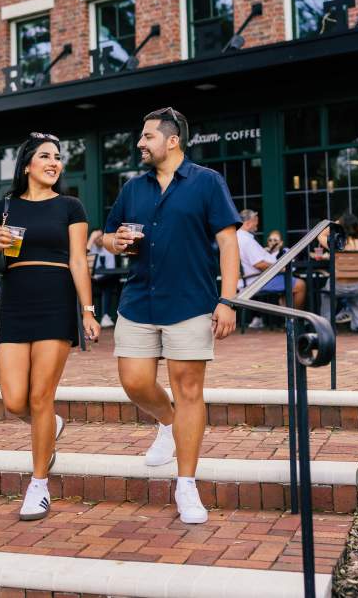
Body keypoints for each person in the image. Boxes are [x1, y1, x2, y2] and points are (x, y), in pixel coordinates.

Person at [102, 107, 240, 525]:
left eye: (147, 137)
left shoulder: (207, 183)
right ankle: (166, 423)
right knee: (135, 381)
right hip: (139, 300)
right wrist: (117, 242)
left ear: (172, 139)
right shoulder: (133, 188)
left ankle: (186, 484)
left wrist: (227, 300)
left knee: (190, 391)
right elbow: (107, 236)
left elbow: (229, 245)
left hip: (190, 302)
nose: (140, 144)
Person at [0, 132, 101, 521]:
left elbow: (79, 260)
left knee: (41, 396)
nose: (54, 162)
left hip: (55, 299)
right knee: (16, 400)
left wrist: (87, 310)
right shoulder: (5, 206)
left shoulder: (70, 206)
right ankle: (52, 426)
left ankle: (39, 485)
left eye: (58, 157)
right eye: (45, 156)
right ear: (27, 164)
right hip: (14, 302)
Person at [237, 210, 306, 328]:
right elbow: (259, 264)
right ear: (248, 223)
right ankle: (295, 321)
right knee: (300, 285)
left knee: (289, 284)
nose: (257, 225)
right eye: (255, 222)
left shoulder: (239, 237)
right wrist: (280, 268)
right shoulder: (246, 240)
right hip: (257, 281)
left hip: (254, 279)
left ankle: (288, 318)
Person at [317, 211, 358, 331]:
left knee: (326, 294)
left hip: (339, 286)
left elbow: (320, 236)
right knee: (356, 292)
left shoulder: (337, 244)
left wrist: (335, 224)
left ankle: (326, 326)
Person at [87, 228, 117, 327]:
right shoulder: (90, 247)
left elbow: (111, 269)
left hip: (105, 278)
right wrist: (91, 240)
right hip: (90, 278)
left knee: (108, 283)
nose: (100, 239)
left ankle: (105, 316)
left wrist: (98, 277)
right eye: (97, 237)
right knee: (86, 286)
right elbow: (81, 259)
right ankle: (89, 316)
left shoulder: (107, 247)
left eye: (101, 237)